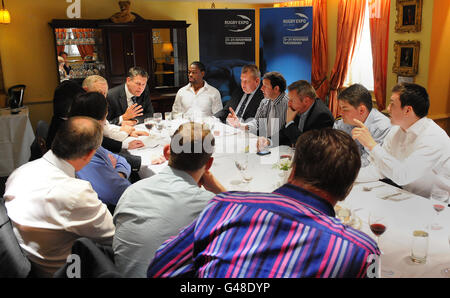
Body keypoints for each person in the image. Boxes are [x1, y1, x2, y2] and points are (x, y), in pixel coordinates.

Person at [147, 128, 380, 278]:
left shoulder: (223, 206)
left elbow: (160, 268)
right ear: (347, 189)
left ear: (292, 170)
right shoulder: (361, 251)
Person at [4, 117, 115, 277]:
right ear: (91, 153)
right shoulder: (76, 193)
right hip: (70, 271)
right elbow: (114, 238)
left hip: (33, 263)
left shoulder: (18, 173)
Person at [113, 122, 226, 277]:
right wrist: (219, 190)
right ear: (209, 164)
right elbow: (249, 225)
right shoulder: (210, 205)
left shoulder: (132, 191)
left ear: (167, 152)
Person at [354, 83, 450, 198]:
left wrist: (371, 145)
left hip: (437, 205)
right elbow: (380, 169)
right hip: (408, 196)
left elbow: (403, 176)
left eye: (392, 104)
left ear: (407, 110)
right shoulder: (396, 131)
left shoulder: (433, 137)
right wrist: (344, 177)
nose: (387, 109)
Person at [69, 92, 132, 208]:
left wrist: (118, 173)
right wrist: (115, 172)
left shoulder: (83, 138)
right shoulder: (83, 149)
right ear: (99, 121)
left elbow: (120, 159)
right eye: (105, 118)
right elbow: (122, 194)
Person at [258, 80, 334, 149]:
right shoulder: (299, 108)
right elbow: (284, 133)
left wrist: (290, 123)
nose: (289, 103)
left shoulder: (322, 116)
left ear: (306, 101)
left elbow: (307, 145)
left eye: (292, 100)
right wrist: (268, 141)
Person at [334, 84, 391, 167]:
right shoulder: (341, 124)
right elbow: (333, 151)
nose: (340, 113)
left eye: (345, 109)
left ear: (361, 110)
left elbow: (371, 163)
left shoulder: (383, 128)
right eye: (340, 108)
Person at [82, 75, 148, 146]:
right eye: (98, 93)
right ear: (85, 90)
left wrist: (125, 130)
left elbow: (107, 126)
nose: (103, 97)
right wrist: (126, 132)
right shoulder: (84, 108)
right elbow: (105, 138)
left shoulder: (98, 104)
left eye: (104, 93)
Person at [227, 71, 289, 140]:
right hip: (266, 142)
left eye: (265, 86)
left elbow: (286, 132)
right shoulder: (265, 101)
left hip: (281, 145)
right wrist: (240, 125)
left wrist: (269, 141)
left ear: (276, 89)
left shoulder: (288, 104)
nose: (261, 88)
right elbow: (257, 123)